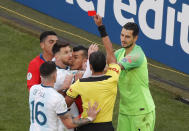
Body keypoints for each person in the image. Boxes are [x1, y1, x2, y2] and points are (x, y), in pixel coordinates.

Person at [64, 15, 121, 131]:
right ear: (105, 65)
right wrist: (101, 27)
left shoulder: (80, 84)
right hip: (106, 128)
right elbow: (111, 56)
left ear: (90, 66)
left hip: (85, 125)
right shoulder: (113, 77)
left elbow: (65, 105)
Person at [29, 61, 100, 131]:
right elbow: (69, 124)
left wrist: (63, 90)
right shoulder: (57, 98)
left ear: (41, 75)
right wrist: (89, 118)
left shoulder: (33, 89)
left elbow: (48, 95)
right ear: (55, 75)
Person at [110, 21, 155, 130]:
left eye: (127, 37)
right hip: (125, 110)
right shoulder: (119, 53)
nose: (123, 39)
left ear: (135, 38)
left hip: (141, 111)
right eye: (122, 35)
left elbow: (114, 67)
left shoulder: (137, 55)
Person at [52, 42, 79, 131]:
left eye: (70, 51)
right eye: (66, 53)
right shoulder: (59, 76)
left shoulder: (54, 63)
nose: (71, 55)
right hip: (63, 122)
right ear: (57, 56)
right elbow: (84, 77)